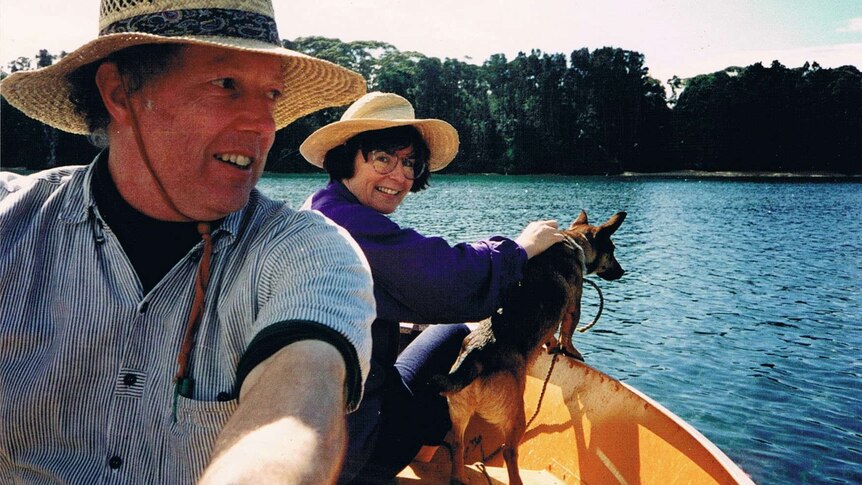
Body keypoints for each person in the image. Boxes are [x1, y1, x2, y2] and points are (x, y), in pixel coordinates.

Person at [0, 0, 376, 483]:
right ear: (120, 92)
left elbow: (295, 408)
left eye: (272, 96)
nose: (265, 126)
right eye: (226, 85)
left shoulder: (307, 251)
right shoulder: (13, 222)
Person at [300, 92, 563, 482]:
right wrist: (523, 247)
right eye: (383, 158)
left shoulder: (320, 206)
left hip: (320, 425)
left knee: (444, 335)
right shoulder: (347, 225)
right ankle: (422, 451)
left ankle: (423, 447)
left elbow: (421, 264)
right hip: (352, 451)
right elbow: (448, 281)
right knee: (457, 333)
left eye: (409, 162)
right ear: (346, 157)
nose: (400, 176)